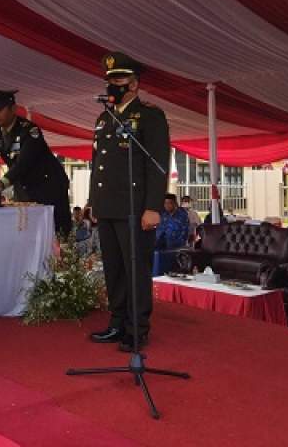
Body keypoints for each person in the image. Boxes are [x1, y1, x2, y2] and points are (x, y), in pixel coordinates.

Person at [88, 52, 169, 352]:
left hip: (135, 209)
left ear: (134, 84)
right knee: (113, 269)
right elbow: (97, 163)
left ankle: (137, 329)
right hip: (107, 206)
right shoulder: (103, 116)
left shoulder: (150, 115)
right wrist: (92, 201)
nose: (113, 84)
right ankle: (116, 322)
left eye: (119, 79)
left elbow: (157, 164)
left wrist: (153, 207)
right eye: (110, 79)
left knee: (135, 269)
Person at [0, 89, 72, 236]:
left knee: (55, 234)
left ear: (13, 109)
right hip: (23, 188)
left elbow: (22, 164)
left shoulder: (29, 130)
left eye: (0, 110)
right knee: (27, 235)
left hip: (48, 187)